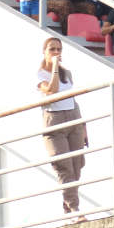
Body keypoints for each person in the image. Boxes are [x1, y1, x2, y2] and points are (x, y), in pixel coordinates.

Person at [35, 38, 86, 216]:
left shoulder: (67, 73)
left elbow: (73, 98)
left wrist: (83, 125)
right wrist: (55, 67)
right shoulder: (40, 74)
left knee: (77, 164)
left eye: (59, 49)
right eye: (52, 49)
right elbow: (52, 90)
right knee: (64, 166)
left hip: (73, 117)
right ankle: (74, 209)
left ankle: (68, 203)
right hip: (54, 121)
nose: (56, 53)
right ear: (44, 52)